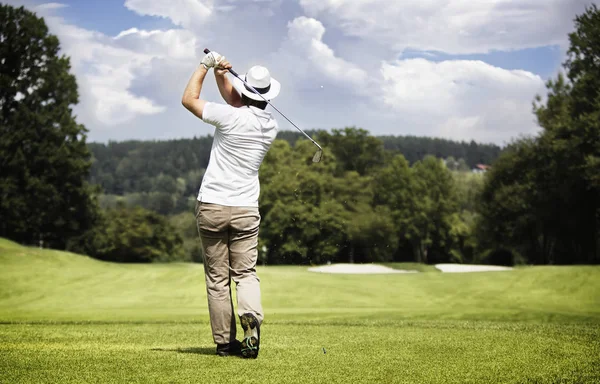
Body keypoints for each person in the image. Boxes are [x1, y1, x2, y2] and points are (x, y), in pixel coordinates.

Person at [181, 51, 280, 359]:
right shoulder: (271, 126)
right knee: (245, 274)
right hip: (246, 209)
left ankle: (225, 343)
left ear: (245, 90)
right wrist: (222, 74)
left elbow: (189, 99)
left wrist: (205, 66)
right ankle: (251, 320)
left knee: (217, 279)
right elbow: (238, 102)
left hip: (212, 205)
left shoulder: (229, 116)